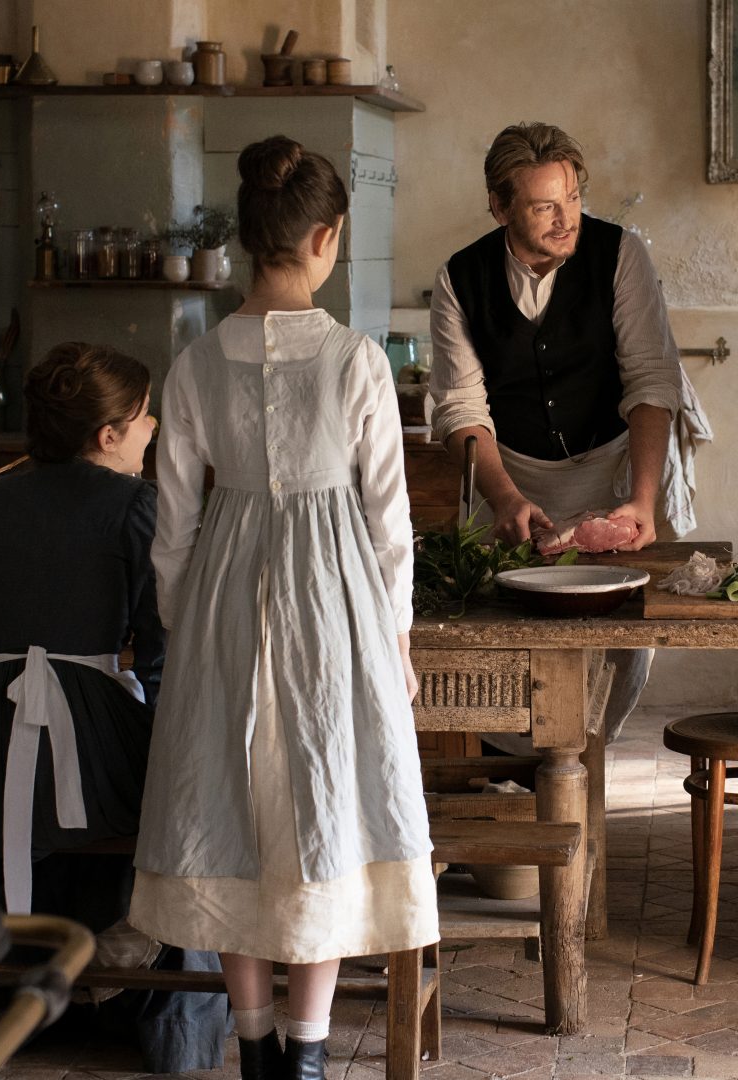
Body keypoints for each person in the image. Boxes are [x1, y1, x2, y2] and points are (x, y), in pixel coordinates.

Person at [130, 136, 437, 1080]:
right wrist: (394, 639)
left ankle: (255, 1041)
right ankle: (305, 1053)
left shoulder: (193, 364)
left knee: (229, 808)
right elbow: (391, 524)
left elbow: (170, 528)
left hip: (222, 592)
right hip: (334, 601)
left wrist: (191, 632)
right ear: (324, 236)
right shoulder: (354, 361)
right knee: (327, 800)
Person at [0, 342, 227, 1072]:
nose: (154, 427)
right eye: (144, 416)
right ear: (108, 436)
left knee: (24, 803)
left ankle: (10, 990)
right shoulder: (135, 506)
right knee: (175, 798)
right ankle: (147, 1008)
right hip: (89, 758)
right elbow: (158, 657)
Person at [429, 120, 684, 745]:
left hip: (614, 468)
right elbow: (461, 408)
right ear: (499, 205)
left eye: (573, 199)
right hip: (513, 475)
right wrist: (506, 498)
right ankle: (530, 782)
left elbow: (651, 382)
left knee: (619, 645)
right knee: (510, 640)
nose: (565, 219)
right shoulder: (460, 279)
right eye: (544, 206)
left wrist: (643, 499)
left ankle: (579, 773)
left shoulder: (621, 255)